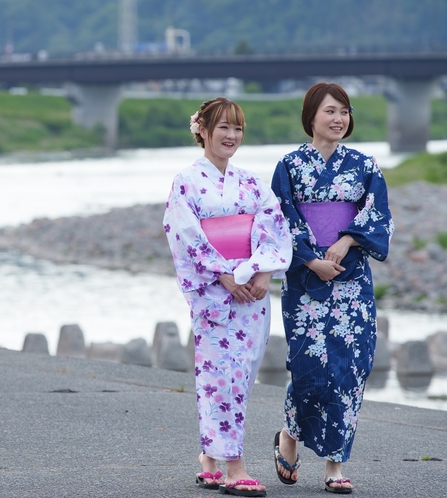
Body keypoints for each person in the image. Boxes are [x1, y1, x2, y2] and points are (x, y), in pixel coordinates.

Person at [163, 97, 293, 497]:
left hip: (252, 291)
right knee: (221, 376)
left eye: (238, 128)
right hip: (215, 292)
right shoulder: (186, 180)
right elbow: (183, 232)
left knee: (243, 375)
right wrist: (222, 274)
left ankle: (209, 457)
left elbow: (273, 225)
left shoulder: (252, 182)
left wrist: (264, 272)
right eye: (223, 127)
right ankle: (234, 465)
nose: (232, 136)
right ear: (201, 129)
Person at [270, 82, 393, 494]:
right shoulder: (288, 166)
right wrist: (309, 258)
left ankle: (335, 466)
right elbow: (278, 218)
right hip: (305, 279)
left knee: (349, 368)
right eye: (330, 111)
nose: (339, 118)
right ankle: (290, 434)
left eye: (344, 111)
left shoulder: (365, 165)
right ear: (311, 117)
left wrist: (346, 239)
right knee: (308, 367)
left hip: (351, 279)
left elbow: (379, 217)